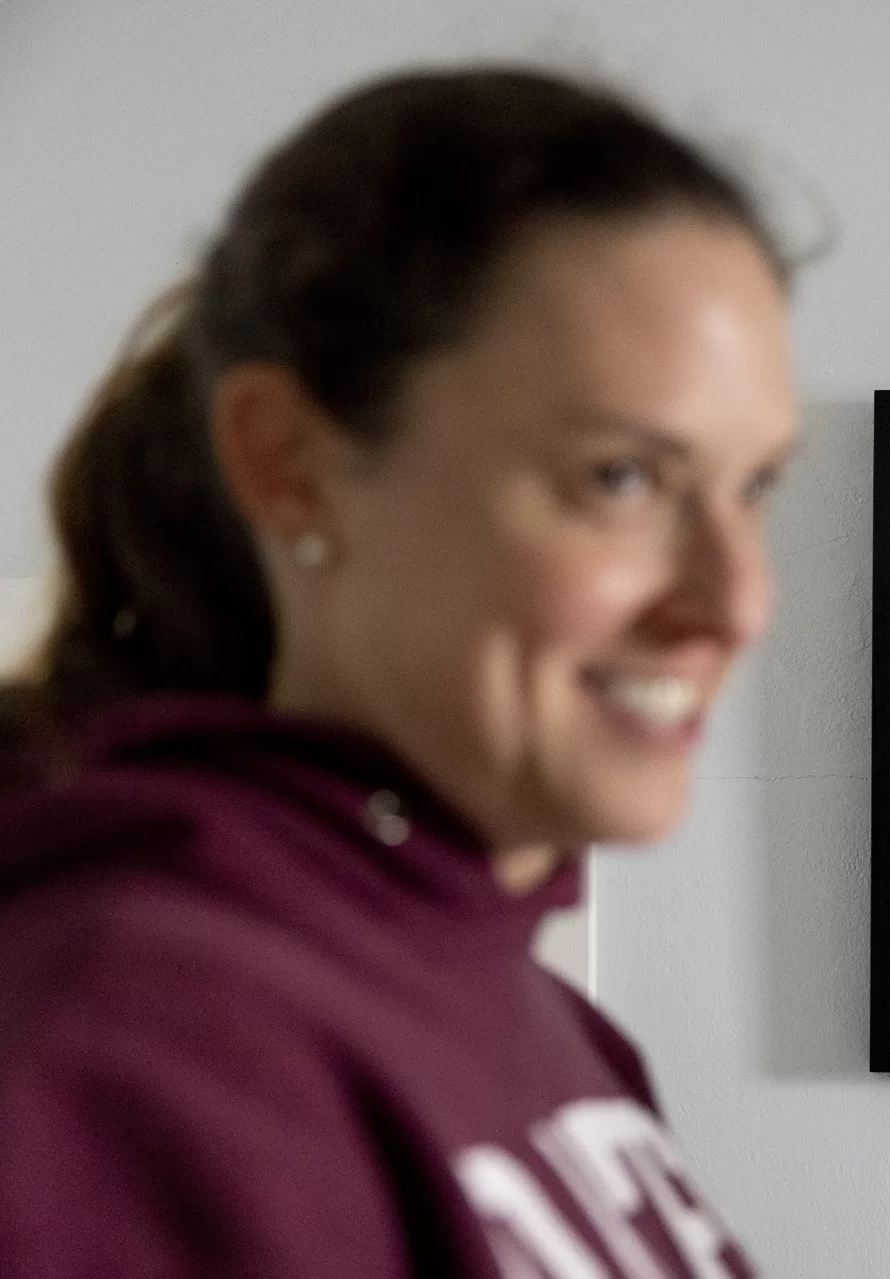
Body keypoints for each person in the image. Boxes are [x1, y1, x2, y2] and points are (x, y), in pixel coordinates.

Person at [0, 68, 795, 1277]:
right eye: (622, 479)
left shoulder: (552, 1028)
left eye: (754, 488)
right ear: (292, 467)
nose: (737, 603)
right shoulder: (123, 1042)